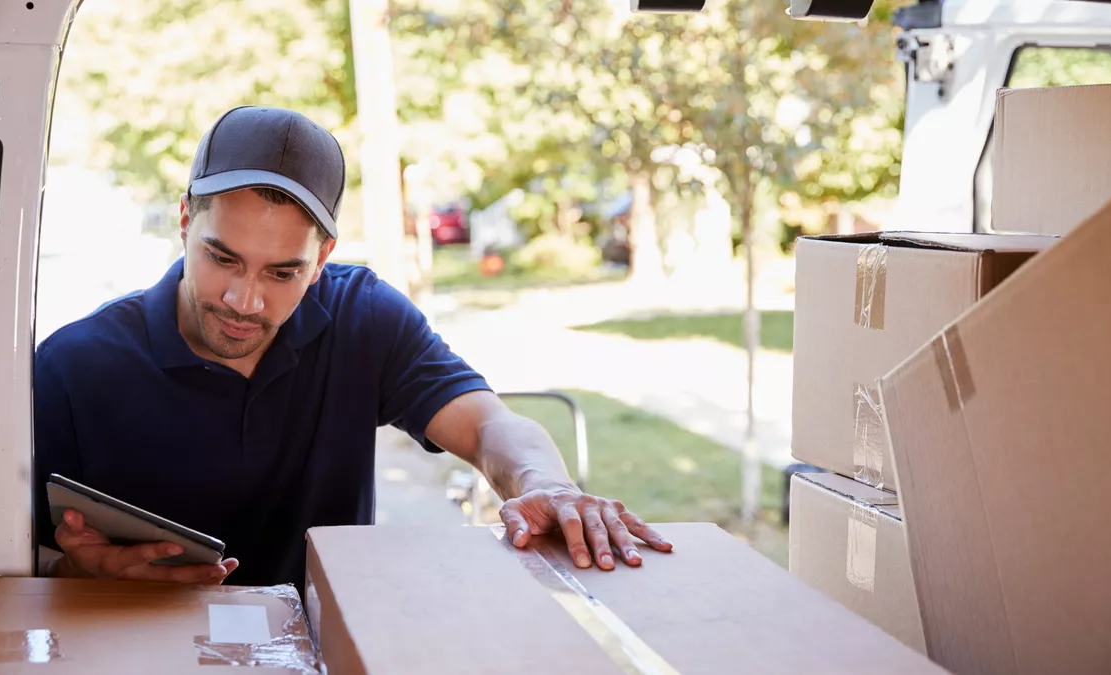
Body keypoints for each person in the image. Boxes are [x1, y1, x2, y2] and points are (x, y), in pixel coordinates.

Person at [33, 105, 671, 590]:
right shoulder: (72, 364)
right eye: (222, 258)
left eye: (282, 272)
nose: (244, 301)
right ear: (184, 222)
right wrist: (77, 574)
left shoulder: (363, 315)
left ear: (321, 260)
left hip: (327, 642)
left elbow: (487, 424)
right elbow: (11, 565)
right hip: (140, 649)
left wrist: (547, 485)